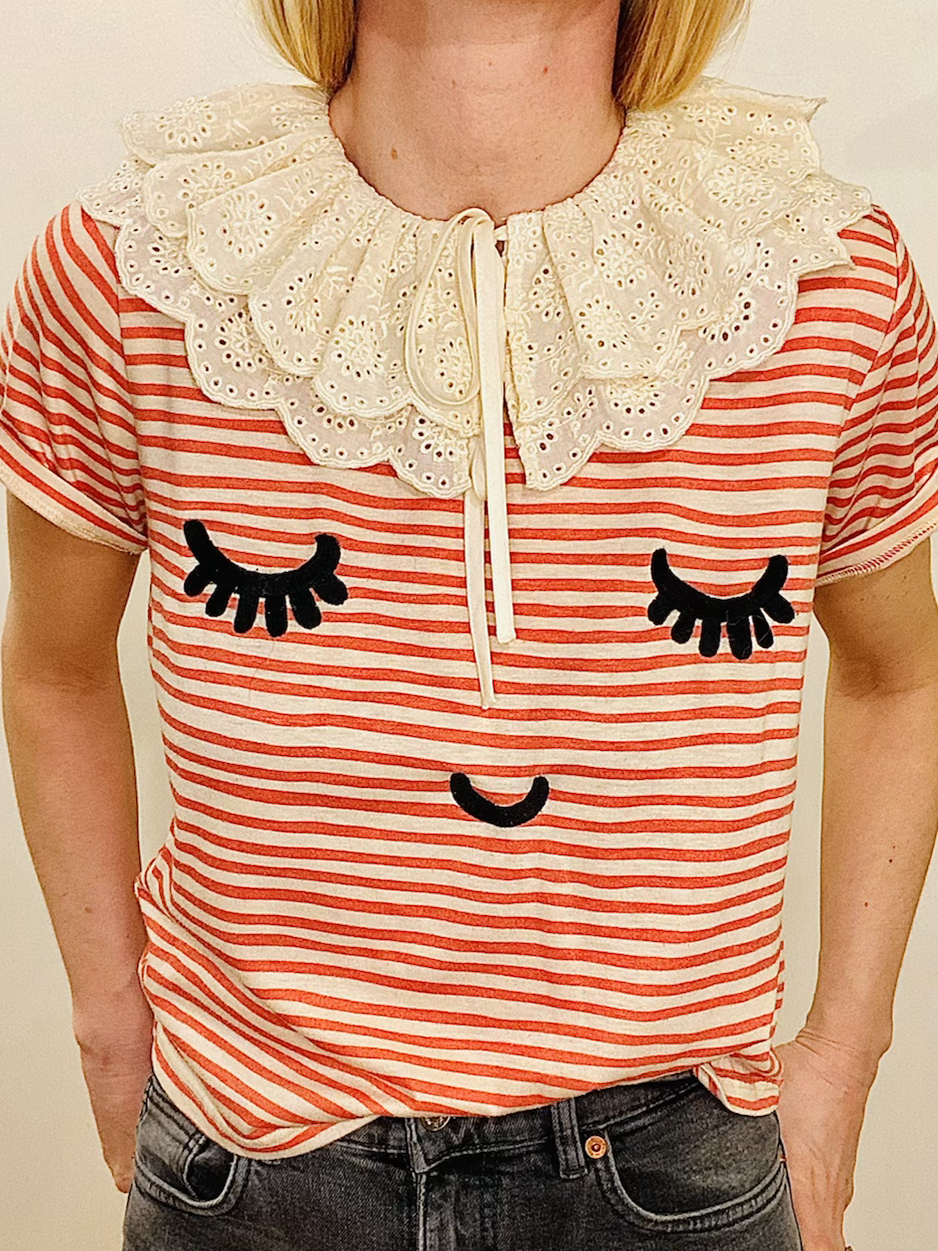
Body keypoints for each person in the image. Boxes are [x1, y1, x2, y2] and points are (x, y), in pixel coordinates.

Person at [2, 1, 937, 1248]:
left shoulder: (824, 279)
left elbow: (896, 674)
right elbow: (54, 667)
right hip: (253, 1156)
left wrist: (842, 1058)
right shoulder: (135, 267)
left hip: (678, 1162)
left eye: (716, 609)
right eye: (261, 582)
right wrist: (109, 1023)